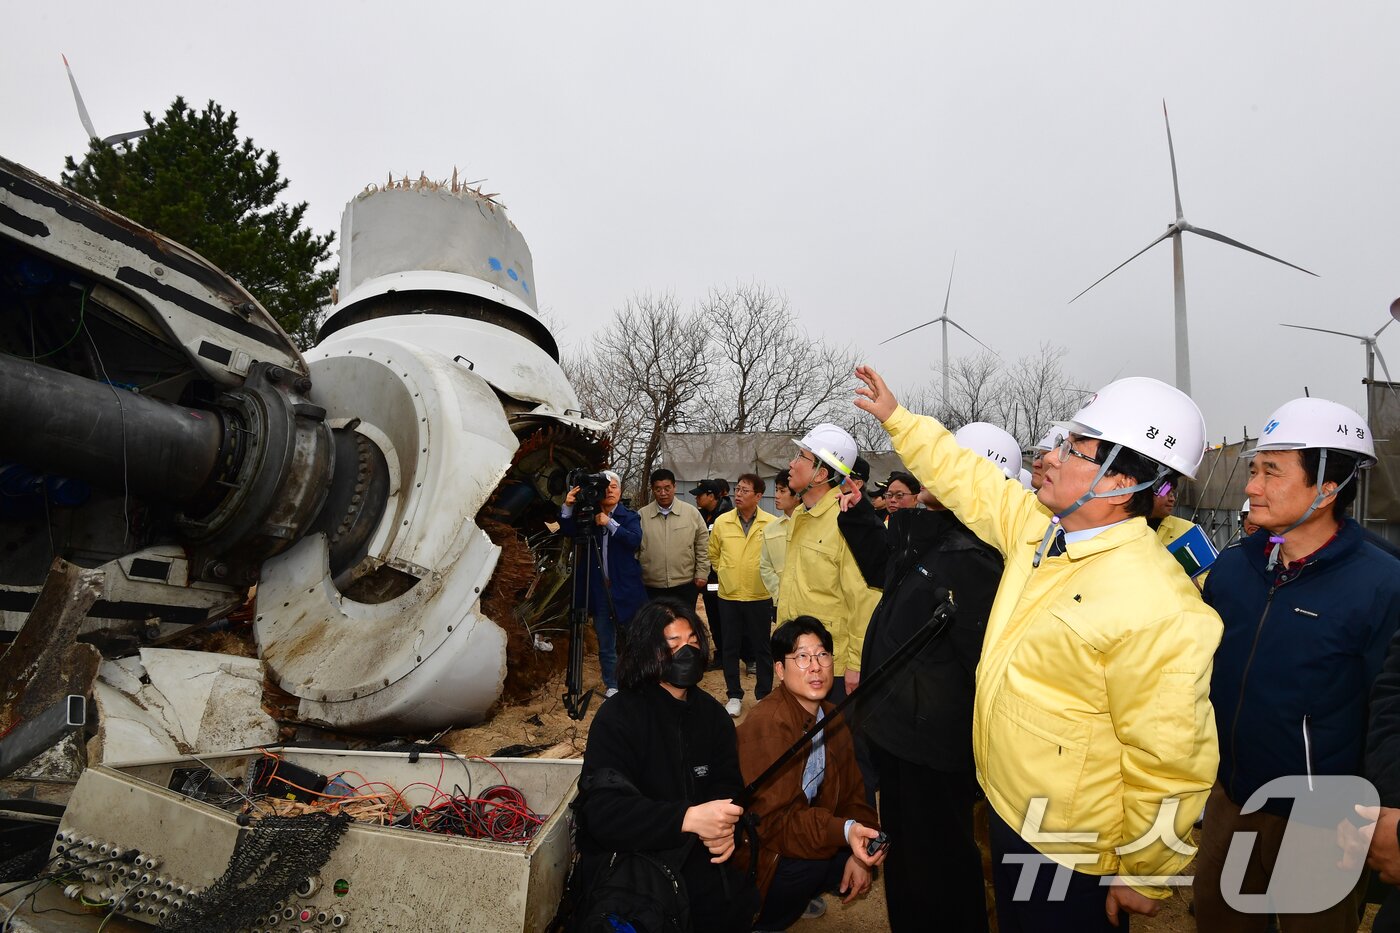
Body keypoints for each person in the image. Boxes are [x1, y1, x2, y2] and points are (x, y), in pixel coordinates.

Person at [854, 365, 1222, 931]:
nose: (1051, 456)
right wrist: (898, 420)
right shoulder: (1041, 531)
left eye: (1076, 448)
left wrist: (1147, 871)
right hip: (1008, 808)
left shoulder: (1158, 605)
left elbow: (1171, 758)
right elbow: (968, 480)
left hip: (1070, 847)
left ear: (1120, 483)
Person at [1192, 397, 1400, 932]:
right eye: (1254, 470)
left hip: (1321, 820)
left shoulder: (1382, 583)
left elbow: (1390, 707)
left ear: (1328, 487)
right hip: (1230, 801)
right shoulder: (1234, 571)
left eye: (1271, 472)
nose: (1251, 487)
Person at [860, 422, 1016, 932]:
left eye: (948, 460)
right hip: (899, 736)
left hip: (935, 749)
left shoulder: (976, 560)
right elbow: (884, 577)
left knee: (942, 867)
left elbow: (983, 672)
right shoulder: (927, 535)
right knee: (906, 860)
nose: (931, 468)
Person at [572, 598, 759, 932]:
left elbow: (728, 786)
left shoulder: (714, 717)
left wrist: (724, 827)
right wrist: (685, 818)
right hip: (632, 872)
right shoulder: (618, 718)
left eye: (692, 642)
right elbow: (603, 814)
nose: (685, 652)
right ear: (647, 652)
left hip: (702, 867)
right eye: (672, 645)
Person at [736, 616, 885, 930]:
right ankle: (763, 920)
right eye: (801, 657)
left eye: (822, 655)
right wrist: (844, 832)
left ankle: (804, 890)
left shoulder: (830, 716)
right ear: (779, 669)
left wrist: (860, 855)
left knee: (868, 850)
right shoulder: (769, 725)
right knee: (812, 865)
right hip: (760, 849)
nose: (815, 666)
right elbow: (772, 823)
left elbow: (855, 795)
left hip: (804, 827)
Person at [778, 423, 882, 703]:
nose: (792, 463)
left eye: (801, 457)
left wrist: (856, 665)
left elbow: (864, 599)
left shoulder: (846, 520)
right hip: (796, 652)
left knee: (837, 742)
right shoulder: (800, 515)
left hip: (831, 663)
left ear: (821, 474)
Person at [561, 470, 647, 697]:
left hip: (626, 590)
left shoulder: (629, 516)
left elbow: (634, 540)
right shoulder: (588, 514)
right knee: (606, 641)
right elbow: (568, 531)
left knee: (631, 638)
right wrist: (568, 506)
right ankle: (612, 684)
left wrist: (609, 523)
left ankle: (636, 681)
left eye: (614, 487)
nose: (610, 491)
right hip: (598, 591)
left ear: (620, 491)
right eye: (605, 487)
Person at [709, 473, 777, 716]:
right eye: (737, 489)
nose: (738, 494)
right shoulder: (722, 522)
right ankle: (734, 695)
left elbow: (775, 559)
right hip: (729, 595)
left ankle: (763, 695)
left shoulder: (771, 523)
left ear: (758, 496)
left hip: (759, 596)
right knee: (730, 647)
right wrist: (725, 572)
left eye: (745, 490)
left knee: (762, 648)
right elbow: (714, 554)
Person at [637, 468, 710, 607]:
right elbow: (634, 549)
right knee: (655, 626)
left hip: (685, 584)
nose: (663, 493)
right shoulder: (642, 516)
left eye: (667, 488)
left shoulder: (691, 513)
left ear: (674, 487)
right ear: (652, 489)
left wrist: (702, 572)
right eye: (658, 489)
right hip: (651, 586)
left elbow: (703, 545)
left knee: (684, 625)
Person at [692, 478, 734, 668]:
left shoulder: (727, 516)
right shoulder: (700, 515)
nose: (696, 499)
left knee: (728, 619)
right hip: (708, 577)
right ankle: (721, 655)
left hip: (724, 576)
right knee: (714, 618)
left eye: (699, 495)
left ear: (711, 496)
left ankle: (740, 656)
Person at [760, 469, 799, 610]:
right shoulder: (770, 529)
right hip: (781, 602)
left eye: (782, 491)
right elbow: (765, 566)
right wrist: (779, 594)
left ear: (798, 494)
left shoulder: (813, 526)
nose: (776, 496)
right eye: (776, 490)